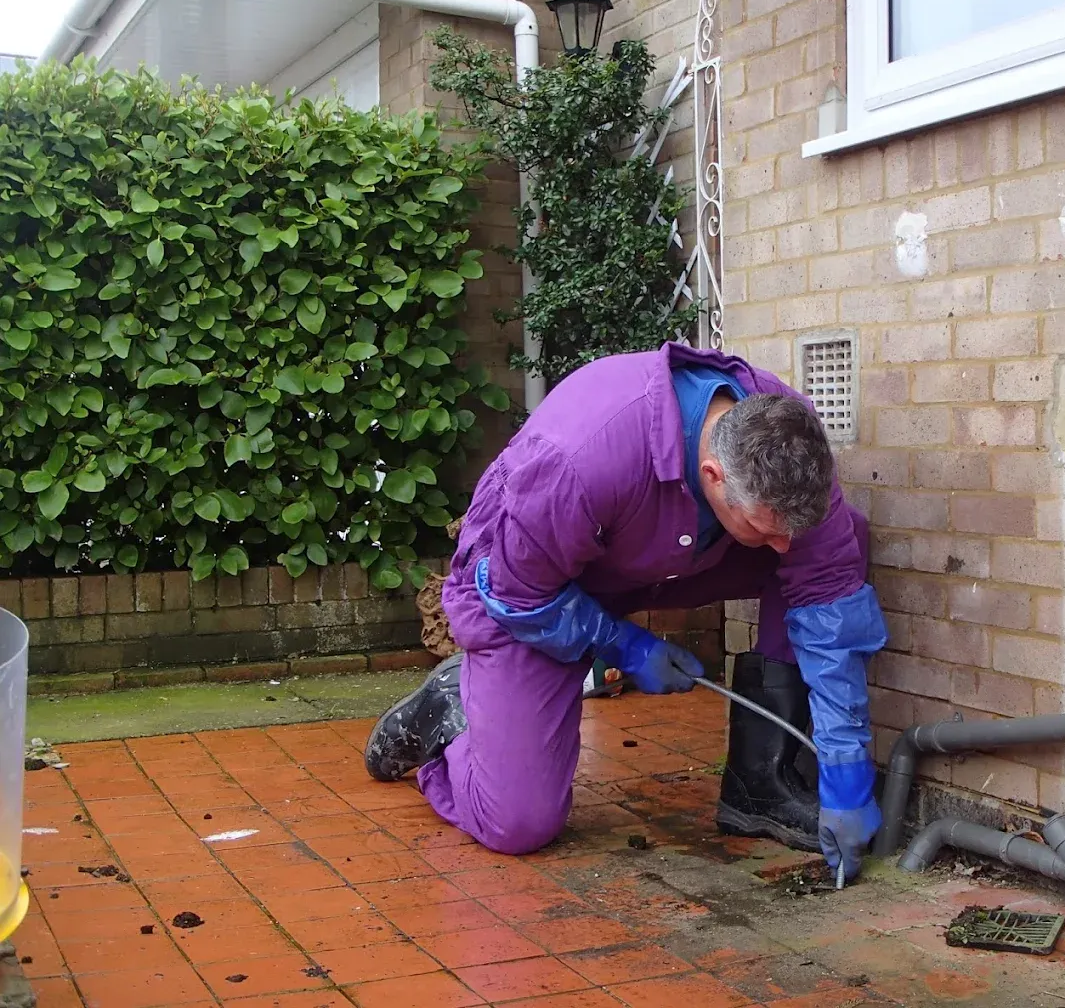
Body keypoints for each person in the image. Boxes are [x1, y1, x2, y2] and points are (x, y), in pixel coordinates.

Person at [364, 341, 888, 882]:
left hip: (669, 559)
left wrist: (846, 774)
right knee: (519, 824)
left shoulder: (790, 441)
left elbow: (828, 605)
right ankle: (452, 715)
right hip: (533, 590)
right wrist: (626, 645)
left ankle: (762, 784)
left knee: (834, 550)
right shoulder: (580, 457)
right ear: (713, 477)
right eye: (763, 529)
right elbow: (516, 592)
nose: (780, 547)